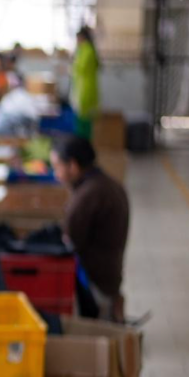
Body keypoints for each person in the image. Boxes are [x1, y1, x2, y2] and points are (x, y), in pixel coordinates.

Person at [51, 136, 129, 323]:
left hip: (96, 284)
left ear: (73, 166)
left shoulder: (88, 195)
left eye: (57, 167)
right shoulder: (107, 184)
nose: (55, 174)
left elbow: (69, 242)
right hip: (110, 277)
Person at [71, 26, 101, 140]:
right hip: (82, 88)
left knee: (84, 121)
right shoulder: (83, 50)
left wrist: (73, 63)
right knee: (81, 120)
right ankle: (81, 143)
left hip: (85, 90)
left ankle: (83, 145)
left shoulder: (87, 50)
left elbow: (80, 68)